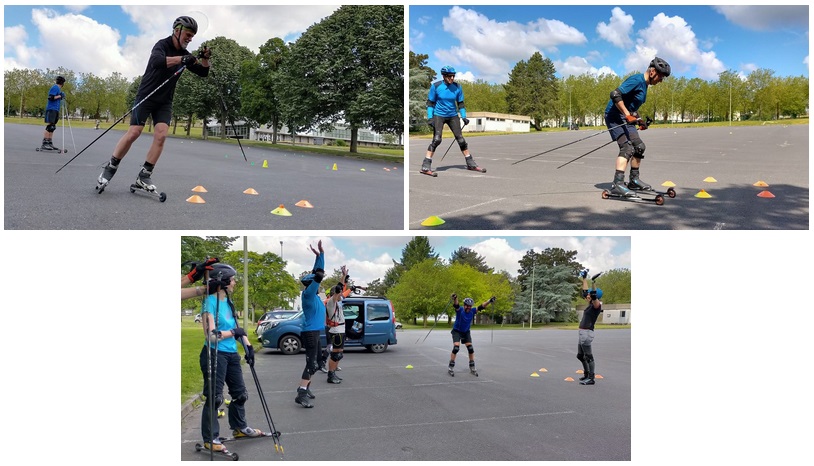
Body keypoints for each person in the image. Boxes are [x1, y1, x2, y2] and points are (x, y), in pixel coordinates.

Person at [97, 16, 210, 193]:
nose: (190, 38)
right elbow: (157, 62)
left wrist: (204, 59)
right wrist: (181, 60)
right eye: (188, 34)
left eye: (192, 36)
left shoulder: (187, 55)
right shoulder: (162, 45)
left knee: (161, 135)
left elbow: (203, 72)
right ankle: (110, 167)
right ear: (177, 30)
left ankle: (144, 175)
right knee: (134, 132)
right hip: (147, 95)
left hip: (164, 101)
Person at [199, 263, 265, 452]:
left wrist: (248, 346)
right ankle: (210, 438)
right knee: (215, 398)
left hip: (231, 354)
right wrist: (232, 332)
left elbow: (238, 328)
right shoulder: (209, 303)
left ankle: (240, 428)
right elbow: (211, 335)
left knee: (240, 394)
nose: (235, 282)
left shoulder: (229, 302)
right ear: (223, 281)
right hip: (214, 353)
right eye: (233, 279)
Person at [604, 57, 671, 197]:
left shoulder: (645, 86)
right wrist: (627, 114)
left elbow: (632, 107)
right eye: (661, 76)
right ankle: (617, 183)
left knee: (639, 146)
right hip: (614, 117)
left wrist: (639, 120)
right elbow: (615, 94)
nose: (661, 80)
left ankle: (633, 180)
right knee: (627, 148)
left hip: (625, 117)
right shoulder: (637, 80)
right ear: (652, 72)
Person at [421, 65, 485, 176]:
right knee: (437, 139)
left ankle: (470, 162)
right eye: (449, 76)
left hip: (453, 115)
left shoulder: (457, 87)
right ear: (444, 76)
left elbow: (461, 104)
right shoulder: (436, 86)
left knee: (461, 139)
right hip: (438, 115)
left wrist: (464, 117)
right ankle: (426, 165)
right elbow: (430, 103)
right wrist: (430, 117)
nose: (452, 78)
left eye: (453, 76)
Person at [295, 240, 327, 408]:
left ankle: (306, 388)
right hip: (309, 333)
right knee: (311, 363)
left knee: (317, 361)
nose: (319, 284)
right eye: (315, 282)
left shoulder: (312, 294)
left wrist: (320, 255)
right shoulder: (308, 294)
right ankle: (301, 393)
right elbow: (319, 275)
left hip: (315, 331)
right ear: (310, 284)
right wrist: (321, 258)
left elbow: (316, 273)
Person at [448, 293, 496, 376]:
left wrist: (489, 301)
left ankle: (472, 366)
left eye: (470, 306)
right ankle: (451, 366)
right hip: (457, 331)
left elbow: (482, 306)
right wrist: (455, 298)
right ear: (464, 305)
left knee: (470, 348)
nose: (469, 307)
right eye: (467, 306)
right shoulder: (460, 310)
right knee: (456, 348)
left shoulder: (472, 311)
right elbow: (456, 305)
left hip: (466, 332)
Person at [576, 270, 603, 386]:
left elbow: (592, 294)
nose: (587, 296)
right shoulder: (590, 305)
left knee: (589, 356)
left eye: (589, 295)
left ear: (594, 296)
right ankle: (586, 374)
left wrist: (594, 282)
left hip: (587, 333)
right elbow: (585, 291)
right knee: (580, 356)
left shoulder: (597, 306)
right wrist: (584, 279)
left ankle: (591, 378)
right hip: (582, 333)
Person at [324, 267, 348, 384]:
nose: (341, 295)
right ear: (335, 294)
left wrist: (345, 278)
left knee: (339, 354)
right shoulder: (331, 302)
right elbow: (339, 288)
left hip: (341, 329)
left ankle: (333, 373)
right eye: (339, 293)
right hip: (336, 330)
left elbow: (343, 289)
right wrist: (342, 276)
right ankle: (330, 374)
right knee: (335, 353)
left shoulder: (338, 302)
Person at [40, 76, 66, 151]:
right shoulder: (55, 87)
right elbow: (51, 97)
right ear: (63, 83)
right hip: (51, 109)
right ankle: (45, 143)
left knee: (53, 126)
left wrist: (60, 96)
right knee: (50, 126)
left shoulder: (58, 89)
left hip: (55, 109)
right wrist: (60, 96)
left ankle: (50, 143)